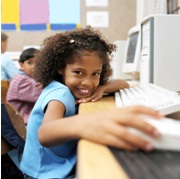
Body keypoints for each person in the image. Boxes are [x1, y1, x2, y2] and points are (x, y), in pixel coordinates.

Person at [20, 26, 162, 179]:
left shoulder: (70, 87)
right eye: (78, 73)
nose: (87, 82)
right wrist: (85, 122)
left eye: (95, 74)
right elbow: (45, 133)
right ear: (61, 68)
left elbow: (123, 83)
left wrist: (102, 87)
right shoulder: (59, 94)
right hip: (43, 173)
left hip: (56, 165)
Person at [6, 48, 43, 125]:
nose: (34, 66)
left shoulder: (25, 78)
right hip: (21, 125)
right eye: (30, 63)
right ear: (21, 65)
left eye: (38, 63)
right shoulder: (21, 81)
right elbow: (43, 92)